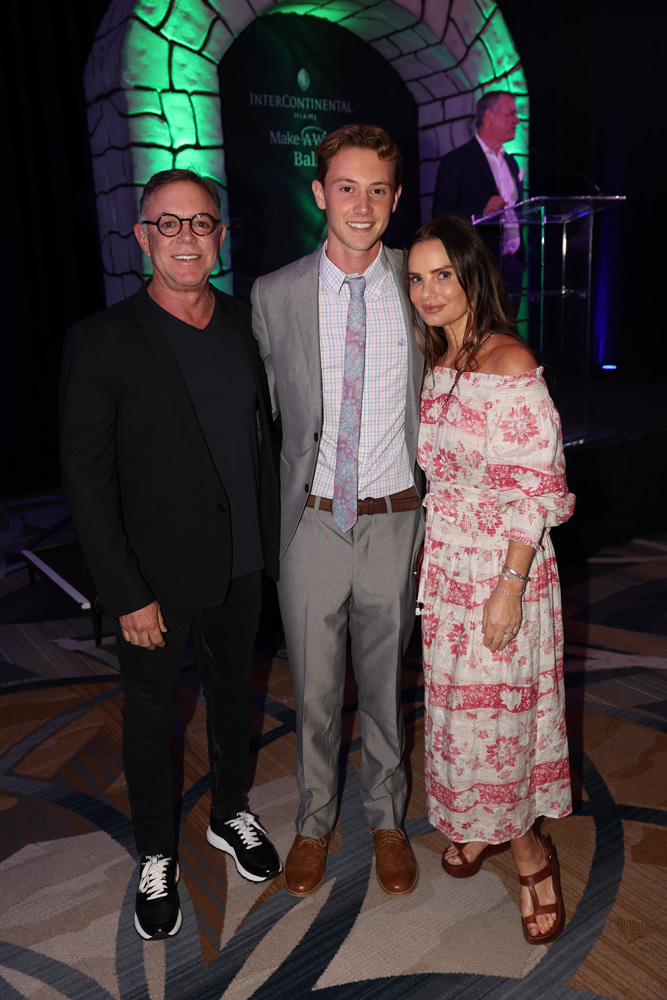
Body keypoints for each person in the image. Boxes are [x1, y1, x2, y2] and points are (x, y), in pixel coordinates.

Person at [59, 169, 282, 941]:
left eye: (202, 223)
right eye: (169, 224)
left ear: (221, 235)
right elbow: (87, 483)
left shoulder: (247, 323)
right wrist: (124, 590)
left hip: (243, 562)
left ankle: (229, 815)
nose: (186, 237)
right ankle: (155, 852)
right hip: (151, 580)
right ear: (142, 237)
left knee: (231, 700)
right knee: (151, 717)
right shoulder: (100, 341)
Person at [251, 125, 424, 898]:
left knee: (384, 686)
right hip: (313, 521)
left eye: (378, 189)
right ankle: (314, 823)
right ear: (319, 194)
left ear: (395, 197)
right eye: (346, 188)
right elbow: (257, 417)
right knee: (315, 691)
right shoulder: (274, 293)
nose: (362, 205)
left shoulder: (420, 285)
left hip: (395, 517)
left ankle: (388, 819)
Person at [407, 215, 574, 944]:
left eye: (442, 274)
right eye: (415, 278)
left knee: (501, 723)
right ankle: (480, 823)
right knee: (456, 719)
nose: (427, 291)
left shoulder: (509, 363)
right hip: (446, 568)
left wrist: (507, 585)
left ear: (473, 276)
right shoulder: (439, 359)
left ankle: (531, 854)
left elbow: (538, 489)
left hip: (503, 569)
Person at [432, 91, 524, 307]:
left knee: (510, 335)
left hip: (512, 266)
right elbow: (439, 214)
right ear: (490, 117)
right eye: (512, 113)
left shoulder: (511, 163)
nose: (517, 120)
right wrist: (480, 214)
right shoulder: (457, 161)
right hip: (478, 267)